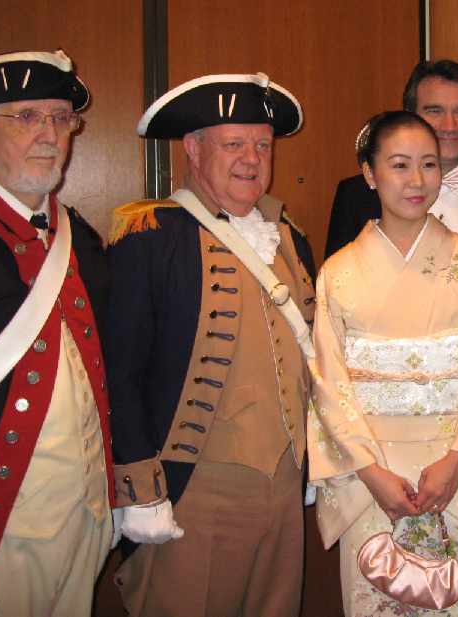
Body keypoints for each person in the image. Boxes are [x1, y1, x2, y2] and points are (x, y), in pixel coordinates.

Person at [105, 72, 315, 617]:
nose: (252, 158)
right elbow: (119, 373)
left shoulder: (288, 237)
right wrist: (140, 488)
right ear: (194, 149)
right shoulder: (151, 235)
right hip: (196, 486)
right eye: (234, 144)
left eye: (262, 145)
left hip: (285, 478)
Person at [308, 111, 458, 617]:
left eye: (429, 164)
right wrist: (371, 472)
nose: (417, 180)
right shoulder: (338, 272)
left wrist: (457, 459)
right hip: (372, 474)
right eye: (399, 165)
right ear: (369, 173)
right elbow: (328, 383)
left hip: (456, 465)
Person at [0, 51, 115, 617]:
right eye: (28, 117)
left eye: (61, 119)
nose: (49, 135)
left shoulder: (80, 240)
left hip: (86, 516)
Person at [325, 60, 458, 421]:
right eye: (435, 111)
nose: (450, 126)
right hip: (376, 417)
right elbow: (334, 322)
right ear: (410, 117)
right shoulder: (356, 195)